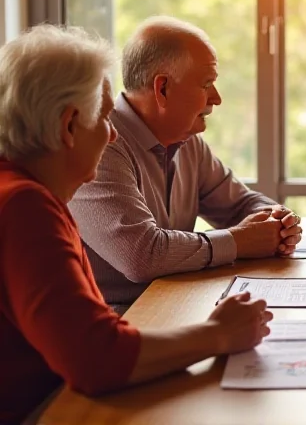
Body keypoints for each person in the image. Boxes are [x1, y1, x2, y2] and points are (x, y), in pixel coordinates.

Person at [0, 26, 272, 424]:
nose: (112, 134)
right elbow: (95, 359)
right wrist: (220, 335)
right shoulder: (25, 206)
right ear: (69, 126)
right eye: (104, 117)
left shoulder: (25, 195)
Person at [68, 16, 302, 311]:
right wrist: (239, 242)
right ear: (162, 88)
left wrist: (276, 222)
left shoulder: (187, 141)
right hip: (118, 325)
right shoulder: (101, 143)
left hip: (173, 308)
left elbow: (241, 204)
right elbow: (141, 256)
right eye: (207, 84)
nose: (216, 98)